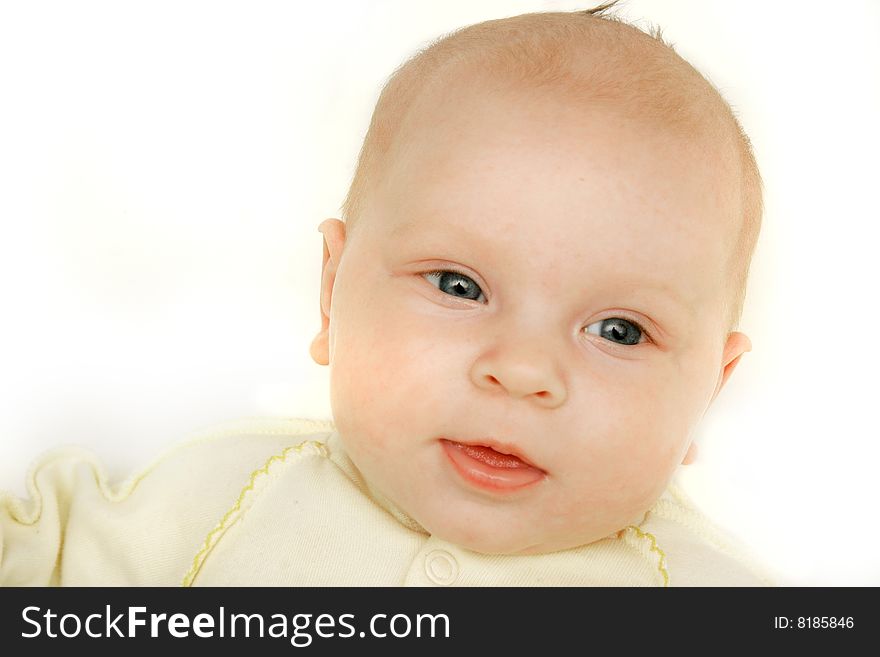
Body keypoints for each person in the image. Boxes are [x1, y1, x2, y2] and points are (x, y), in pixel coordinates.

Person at [0, 3, 777, 586]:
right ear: (333, 292)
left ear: (710, 387)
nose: (522, 369)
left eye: (619, 330)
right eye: (459, 285)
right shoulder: (219, 494)